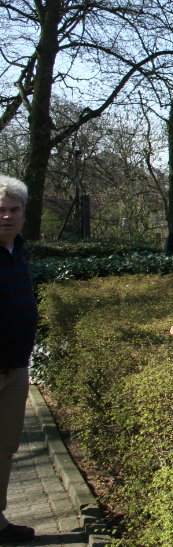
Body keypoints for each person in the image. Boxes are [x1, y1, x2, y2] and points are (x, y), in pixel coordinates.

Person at [0, 175, 37, 543]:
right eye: (0, 211)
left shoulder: (18, 249)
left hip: (16, 367)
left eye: (14, 210)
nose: (7, 217)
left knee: (6, 447)